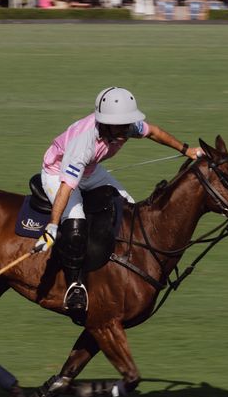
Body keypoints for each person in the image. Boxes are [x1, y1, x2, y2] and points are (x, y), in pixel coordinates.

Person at [34, 87, 203, 322]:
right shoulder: (84, 141)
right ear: (106, 122)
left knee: (130, 210)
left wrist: (187, 150)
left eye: (128, 124)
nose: (126, 130)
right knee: (76, 223)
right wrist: (52, 226)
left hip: (91, 172)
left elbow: (152, 132)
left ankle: (119, 266)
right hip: (58, 172)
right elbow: (66, 186)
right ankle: (74, 286)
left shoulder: (124, 127)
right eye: (121, 125)